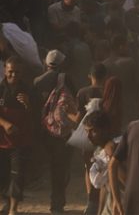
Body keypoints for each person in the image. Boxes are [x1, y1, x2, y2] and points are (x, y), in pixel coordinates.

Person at [34, 49, 79, 215]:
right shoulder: (66, 78)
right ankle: (57, 203)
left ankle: (55, 201)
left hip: (45, 129)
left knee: (53, 166)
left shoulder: (37, 81)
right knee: (61, 166)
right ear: (62, 63)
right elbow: (75, 100)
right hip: (63, 130)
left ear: (46, 63)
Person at [0, 57, 34, 215]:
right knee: (3, 175)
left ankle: (13, 208)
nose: (13, 75)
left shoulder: (29, 89)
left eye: (17, 72)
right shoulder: (0, 88)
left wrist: (28, 104)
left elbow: (38, 114)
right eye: (10, 71)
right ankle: (5, 204)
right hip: (2, 141)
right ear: (5, 70)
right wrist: (5, 124)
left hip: (20, 141)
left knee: (17, 175)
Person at [83, 110, 120, 215]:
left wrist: (112, 162)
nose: (89, 136)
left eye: (93, 131)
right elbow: (104, 185)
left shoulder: (117, 149)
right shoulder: (100, 152)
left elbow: (125, 180)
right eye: (87, 132)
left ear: (104, 130)